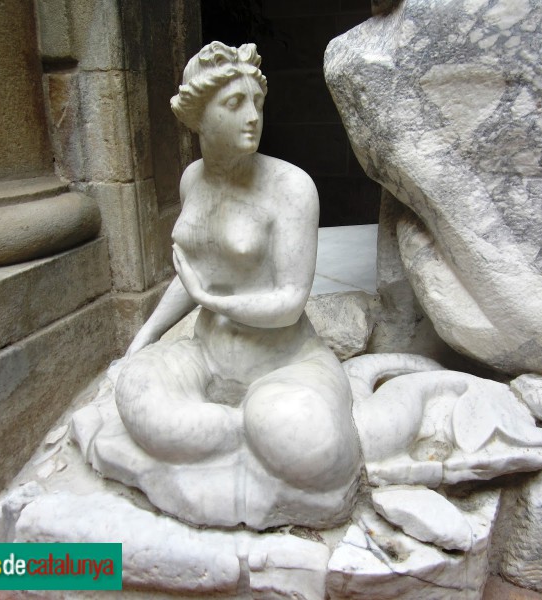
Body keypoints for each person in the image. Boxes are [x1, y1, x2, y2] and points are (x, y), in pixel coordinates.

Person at [115, 42, 361, 495]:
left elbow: (288, 303)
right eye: (235, 103)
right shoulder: (192, 179)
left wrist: (210, 299)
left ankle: (239, 449)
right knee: (134, 392)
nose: (253, 115)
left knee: (306, 443)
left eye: (258, 102)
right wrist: (146, 335)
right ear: (199, 116)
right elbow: (192, 273)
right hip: (207, 355)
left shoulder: (291, 187)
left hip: (284, 363)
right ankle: (238, 451)